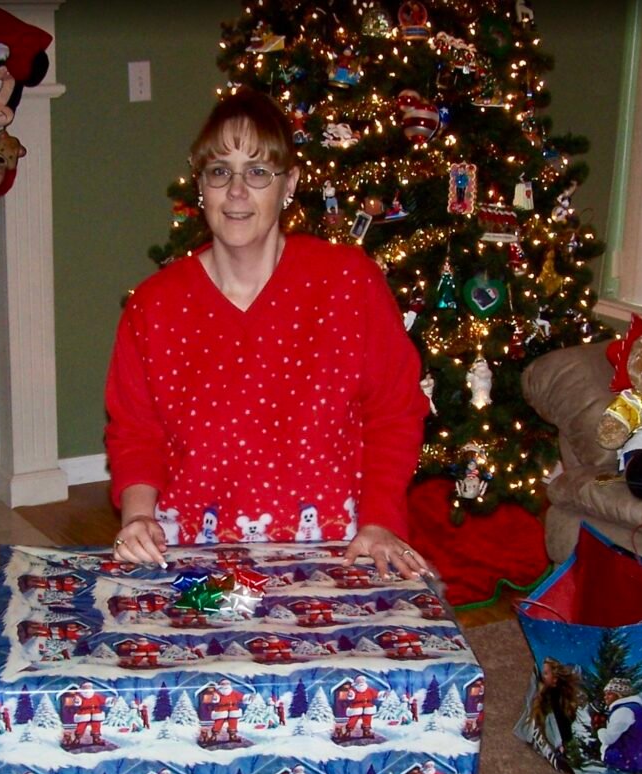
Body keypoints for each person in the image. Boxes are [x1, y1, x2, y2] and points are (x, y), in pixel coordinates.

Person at [104, 88, 430, 580]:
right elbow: (135, 432)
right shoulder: (154, 305)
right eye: (220, 172)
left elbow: (393, 411)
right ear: (201, 186)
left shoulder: (348, 281)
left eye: (258, 172)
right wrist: (138, 518)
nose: (237, 191)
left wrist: (382, 519)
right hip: (193, 557)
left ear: (289, 183)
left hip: (333, 551)